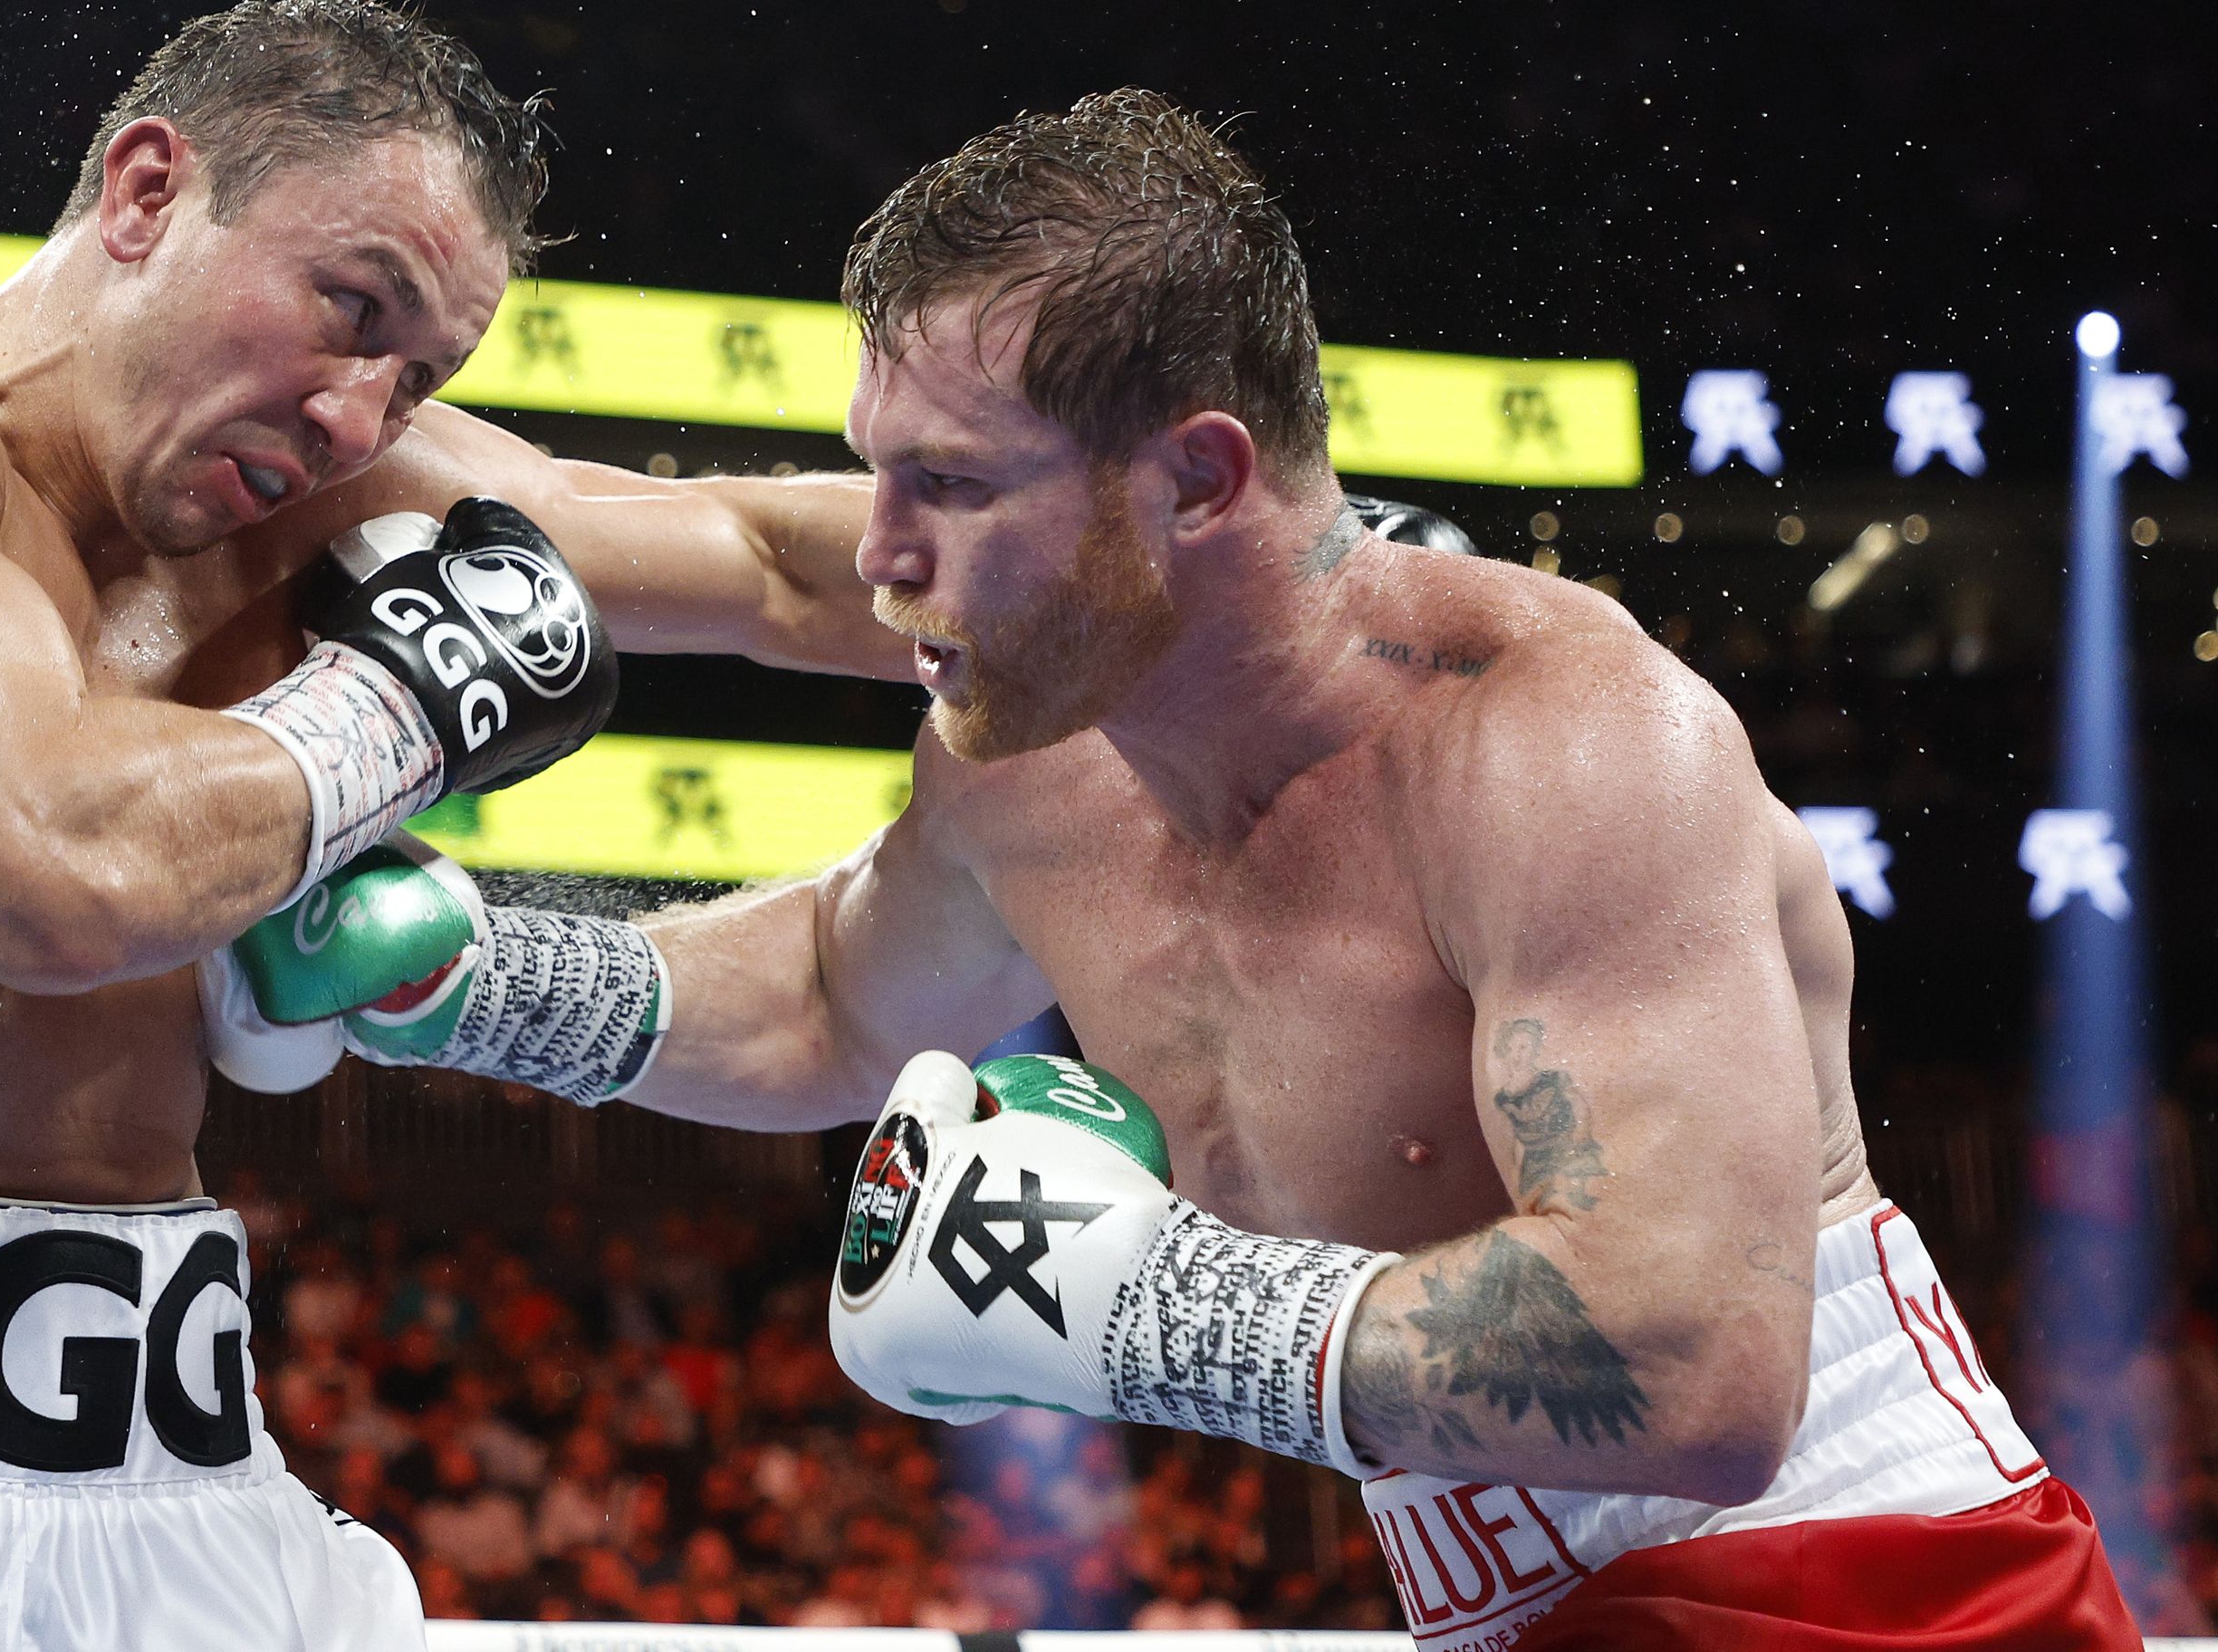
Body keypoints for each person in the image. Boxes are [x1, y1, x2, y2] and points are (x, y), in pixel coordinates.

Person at [247, 90, 2142, 1647]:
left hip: (1888, 1598)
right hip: (1521, 1615)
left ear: (1203, 482)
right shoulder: (1028, 752)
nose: (882, 554)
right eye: (878, 469)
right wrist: (466, 975)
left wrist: (1143, 1310)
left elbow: (1701, 1366)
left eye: (955, 488)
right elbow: (832, 995)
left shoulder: (1560, 744)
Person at [0, 5, 903, 1650]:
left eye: (417, 376)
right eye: (352, 309)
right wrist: (408, 705)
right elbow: (52, 876)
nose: (364, 413)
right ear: (146, 193)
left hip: (179, 1474)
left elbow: (777, 564)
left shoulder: (336, 497)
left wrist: (1188, 566)